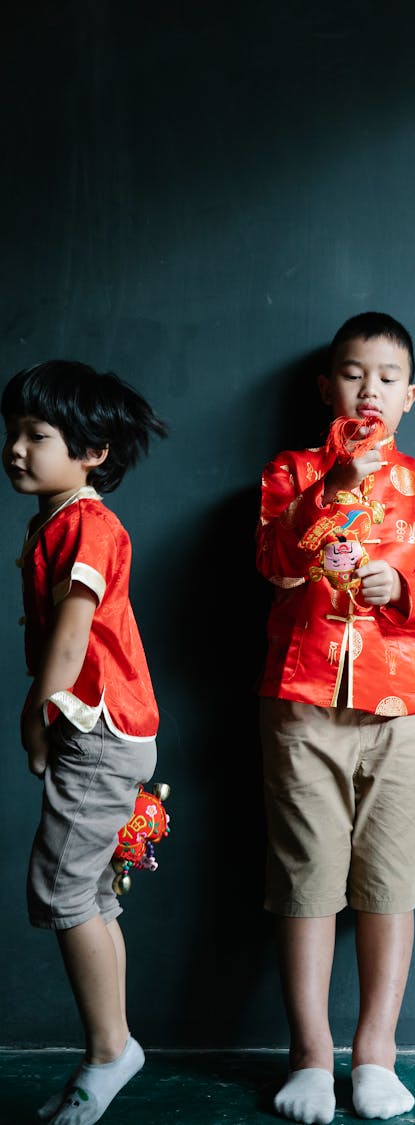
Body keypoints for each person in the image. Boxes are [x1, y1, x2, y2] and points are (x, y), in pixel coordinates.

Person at [256, 312, 415, 1123]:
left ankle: (375, 1051)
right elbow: (273, 563)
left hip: (399, 709)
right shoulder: (291, 472)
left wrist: (405, 591)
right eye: (352, 373)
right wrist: (330, 493)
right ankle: (310, 1054)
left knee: (389, 882)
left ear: (408, 395)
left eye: (385, 377)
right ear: (328, 389)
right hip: (301, 703)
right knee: (304, 879)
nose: (368, 388)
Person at [1, 360, 168, 1125]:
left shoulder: (90, 526)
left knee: (61, 891)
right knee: (91, 894)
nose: (15, 449)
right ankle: (112, 1046)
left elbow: (71, 637)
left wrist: (36, 716)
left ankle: (110, 1051)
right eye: (13, 434)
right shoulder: (57, 520)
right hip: (96, 728)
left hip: (99, 728)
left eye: (37, 435)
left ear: (92, 449)